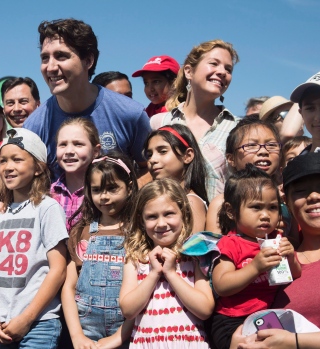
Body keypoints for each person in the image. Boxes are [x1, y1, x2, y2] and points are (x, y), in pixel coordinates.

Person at [231, 152, 320, 348]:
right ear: (288, 203)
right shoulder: (270, 259)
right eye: (301, 191)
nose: (314, 197)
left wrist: (294, 342)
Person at [24, 18, 151, 178]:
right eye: (44, 58)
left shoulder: (131, 114)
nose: (50, 67)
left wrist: (128, 199)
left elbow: (149, 169)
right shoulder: (33, 128)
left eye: (61, 56)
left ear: (88, 60)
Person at [0, 128, 68, 348]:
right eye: (3, 161)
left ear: (38, 167)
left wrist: (27, 318)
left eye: (17, 160)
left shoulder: (47, 208)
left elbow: (58, 269)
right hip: (2, 325)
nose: (8, 167)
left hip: (38, 324)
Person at [210, 165, 300, 349]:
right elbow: (221, 285)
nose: (266, 215)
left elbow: (296, 274)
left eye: (273, 207)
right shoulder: (230, 243)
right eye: (256, 207)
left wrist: (290, 257)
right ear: (231, 211)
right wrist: (255, 268)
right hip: (231, 320)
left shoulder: (278, 238)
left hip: (268, 316)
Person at [120, 178, 214, 348]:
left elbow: (205, 309)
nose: (161, 223)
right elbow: (128, 310)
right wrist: (154, 273)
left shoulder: (195, 256)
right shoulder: (135, 259)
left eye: (169, 214)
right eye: (152, 217)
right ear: (141, 221)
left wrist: (171, 273)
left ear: (183, 213)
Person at [62, 152, 138, 348]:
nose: (104, 196)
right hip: (84, 330)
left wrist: (119, 337)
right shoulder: (81, 232)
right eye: (97, 190)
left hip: (128, 329)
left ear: (129, 188)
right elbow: (69, 286)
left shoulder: (138, 232)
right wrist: (77, 335)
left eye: (112, 188)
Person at [152, 40, 240, 201]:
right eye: (214, 63)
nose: (222, 72)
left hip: (217, 224)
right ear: (188, 71)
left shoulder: (237, 128)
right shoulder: (159, 123)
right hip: (166, 223)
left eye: (228, 69)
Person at [206, 119, 284, 235]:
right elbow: (214, 247)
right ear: (231, 159)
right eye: (251, 145)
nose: (263, 151)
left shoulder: (286, 197)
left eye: (271, 145)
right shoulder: (221, 202)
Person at [144, 124, 208, 233]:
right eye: (149, 154)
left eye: (163, 151)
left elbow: (191, 248)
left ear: (187, 156)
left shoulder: (191, 202)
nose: (152, 160)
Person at [51, 117, 101, 231]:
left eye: (78, 144)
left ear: (95, 151)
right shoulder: (48, 194)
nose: (69, 151)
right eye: (63, 144)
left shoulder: (104, 193)